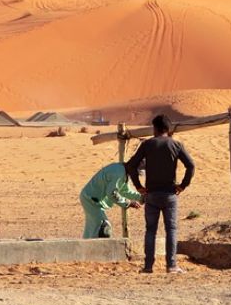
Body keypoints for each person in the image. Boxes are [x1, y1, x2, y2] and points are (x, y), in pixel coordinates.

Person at [124, 114, 195, 274]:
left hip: (151, 194)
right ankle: (171, 266)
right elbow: (191, 165)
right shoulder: (176, 144)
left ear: (155, 128)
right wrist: (182, 186)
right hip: (170, 194)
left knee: (150, 230)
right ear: (168, 129)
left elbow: (131, 166)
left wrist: (138, 186)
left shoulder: (147, 144)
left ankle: (148, 266)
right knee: (171, 229)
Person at [79, 162, 141, 239]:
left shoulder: (122, 171)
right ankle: (95, 250)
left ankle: (85, 249)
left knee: (92, 229)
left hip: (91, 199)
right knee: (103, 228)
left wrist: (141, 197)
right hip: (90, 199)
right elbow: (112, 193)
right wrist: (128, 203)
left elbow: (125, 191)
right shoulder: (119, 173)